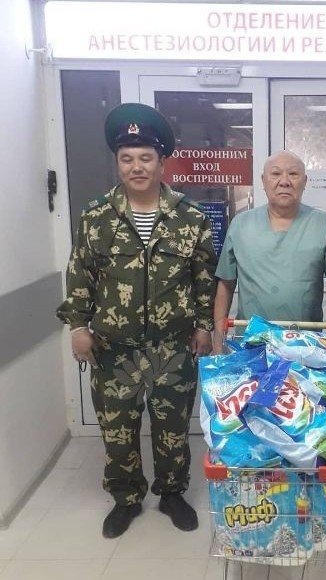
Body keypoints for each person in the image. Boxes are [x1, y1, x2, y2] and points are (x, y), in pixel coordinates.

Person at [57, 103, 217, 539]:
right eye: (127, 158)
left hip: (172, 344)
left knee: (172, 428)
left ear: (161, 162)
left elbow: (204, 277)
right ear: (118, 163)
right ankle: (126, 498)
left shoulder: (190, 217)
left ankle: (171, 493)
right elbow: (79, 275)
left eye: (146, 157)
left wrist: (204, 325)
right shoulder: (95, 218)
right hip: (114, 347)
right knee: (118, 430)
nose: (137, 167)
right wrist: (78, 327)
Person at [212, 150, 326, 347]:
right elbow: (226, 284)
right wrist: (218, 342)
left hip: (305, 346)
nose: (284, 181)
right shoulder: (241, 225)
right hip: (251, 344)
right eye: (276, 174)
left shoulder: (324, 225)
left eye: (293, 174)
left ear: (305, 181)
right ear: (263, 181)